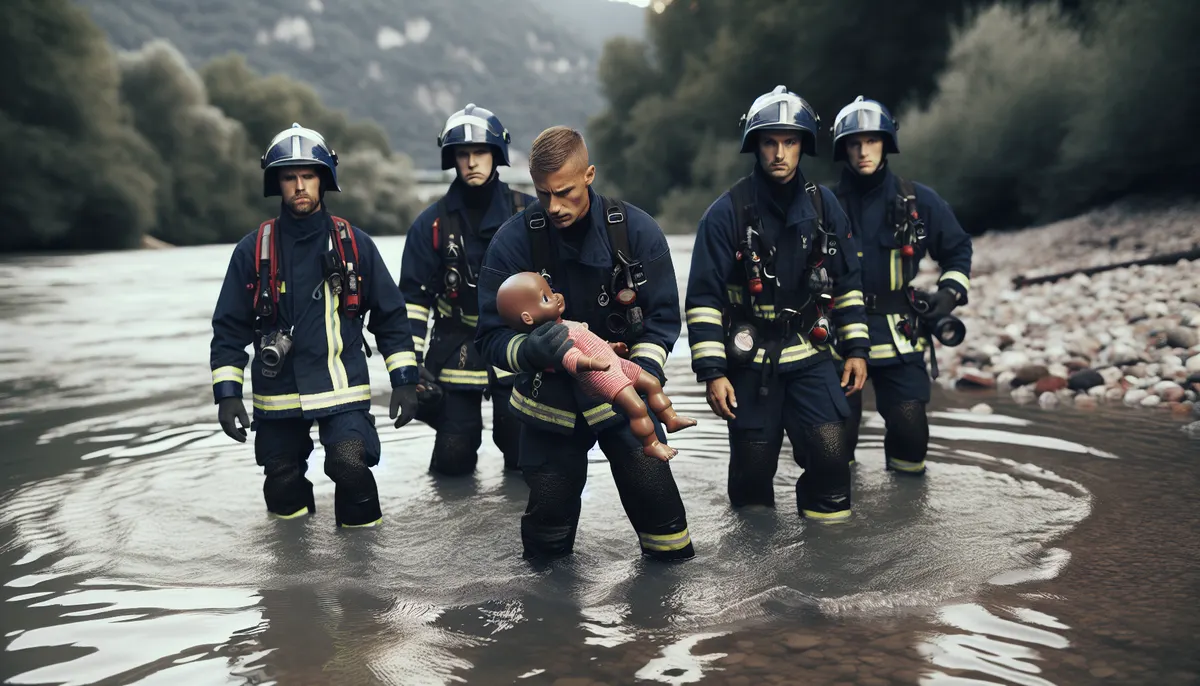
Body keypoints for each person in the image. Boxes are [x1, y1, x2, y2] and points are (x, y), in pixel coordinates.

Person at [473, 125, 695, 561]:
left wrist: (640, 374)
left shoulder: (636, 231)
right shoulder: (513, 241)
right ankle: (551, 621)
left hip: (619, 395)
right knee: (546, 538)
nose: (554, 206)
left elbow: (664, 318)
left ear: (589, 175)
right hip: (550, 402)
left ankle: (668, 615)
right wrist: (533, 351)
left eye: (566, 192)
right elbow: (489, 337)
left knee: (663, 523)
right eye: (543, 195)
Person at [209, 123, 421, 528]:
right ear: (278, 183)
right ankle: (292, 580)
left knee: (350, 467)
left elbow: (391, 317)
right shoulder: (252, 251)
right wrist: (227, 395)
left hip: (342, 386)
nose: (300, 186)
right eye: (290, 177)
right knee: (282, 485)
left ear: (324, 179)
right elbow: (229, 329)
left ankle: (365, 573)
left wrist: (406, 381)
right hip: (278, 394)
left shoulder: (355, 244)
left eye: (308, 175)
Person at [684, 85, 869, 522]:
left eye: (789, 142)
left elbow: (849, 283)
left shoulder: (825, 208)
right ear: (756, 145)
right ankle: (757, 577)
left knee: (830, 459)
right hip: (750, 366)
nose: (780, 153)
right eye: (770, 142)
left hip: (811, 356)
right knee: (751, 480)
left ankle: (828, 566)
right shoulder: (724, 214)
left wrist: (857, 350)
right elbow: (703, 300)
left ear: (804, 144)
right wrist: (713, 373)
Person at [830, 95, 973, 476]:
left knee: (911, 435)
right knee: (833, 444)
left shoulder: (918, 200)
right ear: (843, 147)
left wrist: (947, 295)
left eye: (872, 141)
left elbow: (958, 250)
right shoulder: (821, 204)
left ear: (886, 143)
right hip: (837, 336)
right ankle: (841, 522)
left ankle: (909, 517)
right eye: (855, 143)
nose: (863, 152)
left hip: (901, 331)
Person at [398, 104, 536, 475]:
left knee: (521, 446)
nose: (472, 162)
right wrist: (409, 367)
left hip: (517, 347)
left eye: (480, 152)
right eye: (463, 154)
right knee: (454, 450)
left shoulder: (529, 216)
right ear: (453, 159)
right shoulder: (431, 225)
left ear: (497, 155)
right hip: (455, 347)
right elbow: (412, 301)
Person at [495, 271, 697, 461]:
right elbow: (572, 358)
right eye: (545, 298)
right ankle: (651, 443)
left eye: (551, 291)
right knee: (636, 407)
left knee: (652, 382)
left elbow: (591, 342)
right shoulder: (554, 339)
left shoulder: (567, 324)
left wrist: (611, 348)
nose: (556, 297)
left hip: (614, 363)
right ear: (527, 318)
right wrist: (591, 362)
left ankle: (670, 418)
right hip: (601, 375)